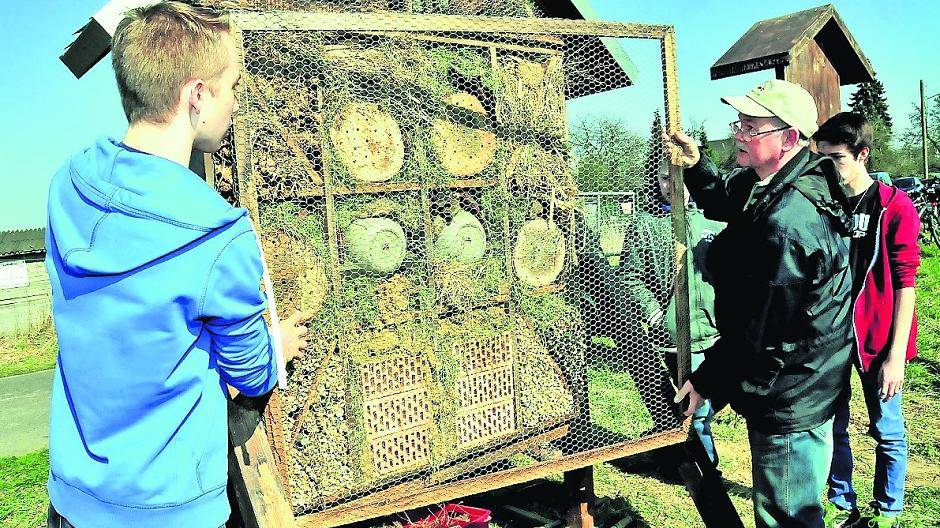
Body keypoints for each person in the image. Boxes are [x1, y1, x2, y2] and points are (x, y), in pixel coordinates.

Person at [44, 3, 308, 527]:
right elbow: (252, 374)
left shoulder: (67, 184)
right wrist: (276, 349)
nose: (235, 102)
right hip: (168, 511)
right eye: (230, 85)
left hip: (72, 500)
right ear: (195, 96)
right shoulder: (217, 236)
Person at [671, 79, 853, 528]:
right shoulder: (778, 181)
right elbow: (724, 202)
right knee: (794, 503)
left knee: (786, 512)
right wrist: (697, 166)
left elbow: (763, 327)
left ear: (788, 138)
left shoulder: (787, 222)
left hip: (790, 388)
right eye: (739, 123)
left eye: (751, 127)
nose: (738, 134)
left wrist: (708, 378)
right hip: (805, 376)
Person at [814, 112, 921, 528]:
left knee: (887, 429)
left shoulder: (895, 206)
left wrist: (896, 356)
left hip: (879, 340)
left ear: (862, 154)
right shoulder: (826, 205)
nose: (829, 169)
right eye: (821, 159)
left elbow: (905, 284)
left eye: (836, 159)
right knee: (833, 426)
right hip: (834, 338)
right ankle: (841, 502)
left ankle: (889, 509)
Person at [620, 162, 725, 460]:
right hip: (677, 336)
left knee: (716, 397)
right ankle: (705, 469)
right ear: (657, 178)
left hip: (718, 330)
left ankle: (677, 451)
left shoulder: (713, 219)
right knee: (697, 409)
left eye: (679, 178)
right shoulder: (645, 224)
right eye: (665, 178)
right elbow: (629, 276)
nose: (673, 185)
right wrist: (655, 314)